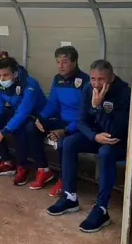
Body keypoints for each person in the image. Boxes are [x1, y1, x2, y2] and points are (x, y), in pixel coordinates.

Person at [46, 59, 131, 234]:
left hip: (117, 140)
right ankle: (69, 197)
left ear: (112, 77)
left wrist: (98, 106)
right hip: (97, 136)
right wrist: (93, 136)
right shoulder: (88, 88)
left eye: (101, 79)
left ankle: (101, 209)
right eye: (93, 79)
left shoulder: (123, 92)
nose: (96, 84)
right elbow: (81, 120)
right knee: (68, 142)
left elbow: (115, 130)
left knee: (105, 152)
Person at [0, 57, 48, 187]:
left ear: (15, 73)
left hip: (36, 117)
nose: (2, 79)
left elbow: (23, 112)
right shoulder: (1, 84)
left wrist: (2, 133)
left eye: (6, 75)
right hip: (18, 114)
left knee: (20, 128)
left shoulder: (30, 84)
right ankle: (8, 162)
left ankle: (24, 167)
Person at [36, 46, 90, 196]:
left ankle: (64, 180)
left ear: (74, 62)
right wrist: (41, 118)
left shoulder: (85, 81)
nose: (60, 66)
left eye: (64, 62)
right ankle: (43, 169)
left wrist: (66, 130)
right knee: (30, 128)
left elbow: (84, 114)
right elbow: (53, 103)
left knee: (63, 142)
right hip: (62, 121)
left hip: (79, 125)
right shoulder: (57, 79)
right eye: (57, 62)